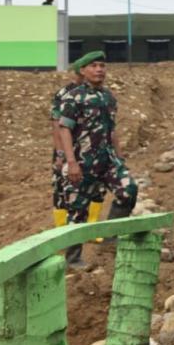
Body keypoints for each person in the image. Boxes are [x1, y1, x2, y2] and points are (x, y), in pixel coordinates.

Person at [58, 51, 139, 266]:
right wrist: (71, 162)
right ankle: (73, 260)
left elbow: (112, 130)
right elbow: (64, 129)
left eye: (102, 65)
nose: (99, 69)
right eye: (93, 66)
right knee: (77, 212)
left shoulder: (108, 97)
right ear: (82, 71)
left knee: (128, 190)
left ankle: (110, 237)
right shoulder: (73, 97)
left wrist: (119, 157)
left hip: (107, 160)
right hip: (82, 162)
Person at [50, 63, 104, 229]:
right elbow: (57, 126)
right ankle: (61, 231)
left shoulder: (98, 94)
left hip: (91, 150)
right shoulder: (65, 94)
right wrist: (61, 154)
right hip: (69, 151)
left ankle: (92, 228)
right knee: (63, 192)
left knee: (97, 189)